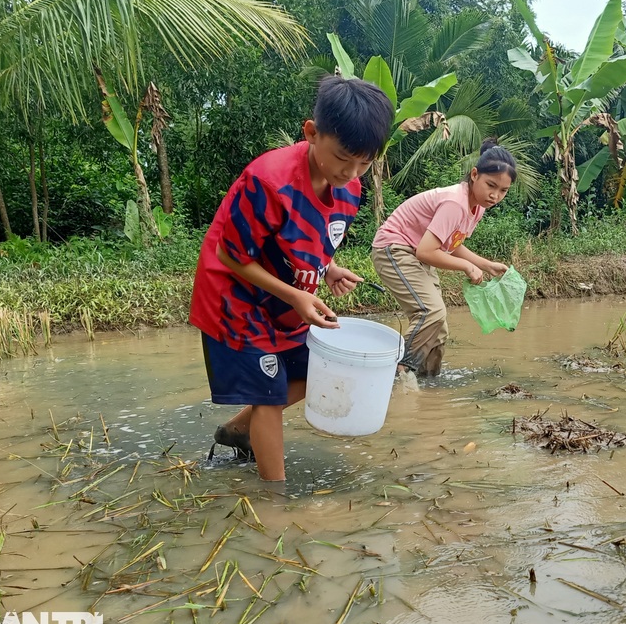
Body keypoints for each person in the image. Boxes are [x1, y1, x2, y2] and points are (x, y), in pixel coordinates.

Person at [190, 76, 394, 482]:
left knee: (311, 370)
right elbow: (230, 254)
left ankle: (238, 430)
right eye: (343, 158)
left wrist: (329, 268)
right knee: (268, 393)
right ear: (312, 133)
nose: (351, 172)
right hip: (236, 298)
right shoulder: (269, 181)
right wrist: (296, 297)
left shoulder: (349, 187)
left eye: (364, 163)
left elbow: (315, 236)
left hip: (283, 299)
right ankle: (276, 503)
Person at [371, 139, 517, 377]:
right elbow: (426, 251)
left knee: (438, 329)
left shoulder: (476, 206)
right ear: (474, 175)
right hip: (395, 248)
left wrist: (485, 264)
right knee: (431, 313)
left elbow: (451, 243)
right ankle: (398, 374)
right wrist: (467, 267)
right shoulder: (456, 203)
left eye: (503, 191)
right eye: (491, 185)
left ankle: (428, 386)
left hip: (415, 251)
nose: (495, 195)